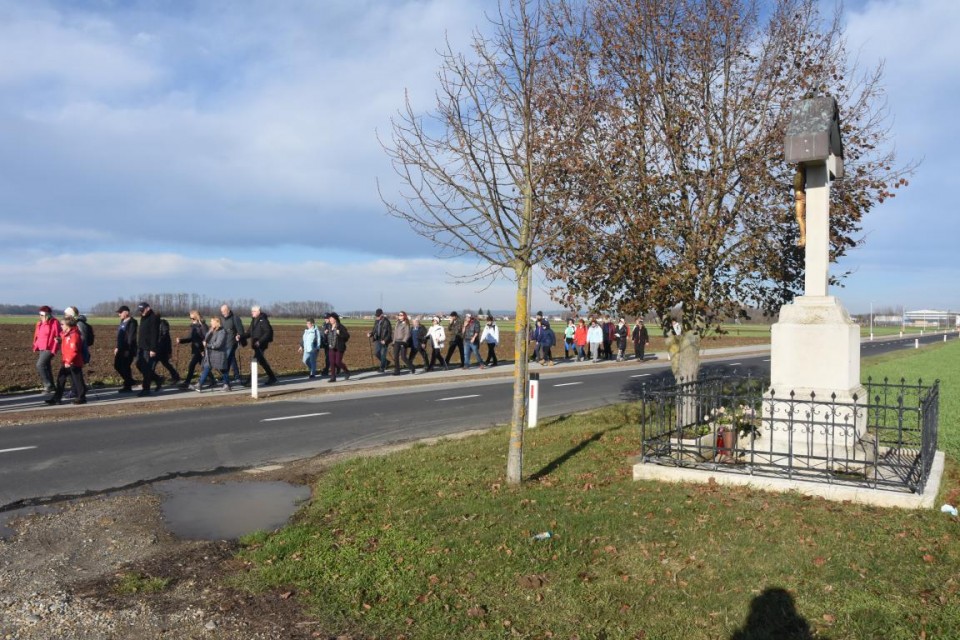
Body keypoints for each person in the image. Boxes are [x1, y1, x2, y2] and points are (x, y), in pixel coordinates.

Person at [44, 314, 87, 405]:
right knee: (61, 379)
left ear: (68, 325)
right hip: (67, 361)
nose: (61, 326)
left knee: (77, 380)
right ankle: (57, 398)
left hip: (73, 362)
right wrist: (60, 340)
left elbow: (74, 350)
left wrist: (68, 361)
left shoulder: (74, 335)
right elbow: (65, 340)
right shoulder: (67, 334)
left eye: (62, 324)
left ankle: (81, 397)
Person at [240, 306, 278, 386]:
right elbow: (249, 332)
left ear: (258, 311)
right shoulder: (254, 320)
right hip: (256, 345)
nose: (252, 312)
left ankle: (249, 381)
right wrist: (241, 336)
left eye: (253, 311)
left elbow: (267, 332)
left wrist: (259, 341)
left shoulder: (263, 320)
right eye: (252, 311)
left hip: (261, 345)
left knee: (254, 361)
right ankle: (272, 378)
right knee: (262, 362)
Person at [192, 316, 230, 392]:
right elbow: (206, 338)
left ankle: (227, 385)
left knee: (223, 369)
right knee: (207, 367)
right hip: (210, 354)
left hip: (219, 354)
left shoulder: (222, 332)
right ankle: (200, 384)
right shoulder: (212, 330)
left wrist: (207, 345)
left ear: (217, 322)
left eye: (212, 321)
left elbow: (218, 344)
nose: (211, 323)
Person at [32, 305, 62, 393]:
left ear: (47, 315)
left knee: (40, 365)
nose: (40, 317)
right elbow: (38, 335)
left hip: (50, 347)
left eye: (42, 315)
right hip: (41, 347)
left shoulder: (54, 322)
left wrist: (56, 345)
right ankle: (52, 386)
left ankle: (48, 385)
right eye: (39, 315)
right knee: (46, 366)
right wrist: (35, 344)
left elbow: (58, 335)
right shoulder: (40, 323)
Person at [177, 310, 208, 389]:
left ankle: (187, 382)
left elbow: (206, 338)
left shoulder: (202, 326)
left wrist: (203, 350)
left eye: (193, 319)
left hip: (201, 349)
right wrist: (181, 340)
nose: (191, 320)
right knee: (204, 366)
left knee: (192, 365)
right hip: (195, 348)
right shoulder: (193, 327)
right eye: (190, 319)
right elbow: (190, 338)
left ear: (197, 317)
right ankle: (213, 380)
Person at [136, 301, 161, 397]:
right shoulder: (143, 317)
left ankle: (146, 389)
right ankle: (157, 379)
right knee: (138, 364)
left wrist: (153, 349)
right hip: (141, 347)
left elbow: (155, 334)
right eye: (140, 311)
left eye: (142, 310)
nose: (141, 312)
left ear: (148, 308)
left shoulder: (153, 318)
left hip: (149, 348)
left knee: (146, 369)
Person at [114, 305, 138, 392]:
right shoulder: (122, 321)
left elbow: (131, 337)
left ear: (126, 312)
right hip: (120, 348)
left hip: (128, 349)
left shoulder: (132, 322)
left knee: (125, 367)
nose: (119, 314)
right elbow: (120, 336)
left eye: (120, 312)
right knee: (117, 365)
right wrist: (117, 347)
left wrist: (127, 350)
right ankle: (130, 381)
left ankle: (128, 386)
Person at [219, 304, 245, 386]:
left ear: (228, 310)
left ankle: (226, 381)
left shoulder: (235, 318)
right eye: (221, 311)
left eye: (224, 311)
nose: (223, 313)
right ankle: (237, 376)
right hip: (224, 343)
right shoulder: (222, 319)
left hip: (232, 343)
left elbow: (241, 331)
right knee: (232, 360)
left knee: (226, 361)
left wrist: (239, 335)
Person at [153, 314, 181, 387]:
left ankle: (155, 379)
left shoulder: (163, 324)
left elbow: (166, 339)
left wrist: (169, 351)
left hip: (162, 349)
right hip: (159, 349)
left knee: (153, 365)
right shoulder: (156, 325)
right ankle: (176, 377)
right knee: (165, 364)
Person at [324, 312, 351, 382]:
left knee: (338, 362)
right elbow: (326, 338)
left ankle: (347, 371)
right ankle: (333, 377)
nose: (330, 319)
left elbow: (347, 336)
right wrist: (325, 334)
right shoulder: (328, 326)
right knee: (332, 362)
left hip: (339, 347)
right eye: (329, 318)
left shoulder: (341, 327)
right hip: (331, 346)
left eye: (331, 318)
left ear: (335, 319)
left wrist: (340, 334)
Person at [367, 308, 393, 373]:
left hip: (384, 340)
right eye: (376, 315)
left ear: (382, 315)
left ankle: (382, 368)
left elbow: (389, 333)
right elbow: (374, 330)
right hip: (377, 339)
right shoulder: (376, 321)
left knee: (383, 354)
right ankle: (386, 362)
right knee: (376, 353)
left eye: (378, 316)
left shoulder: (387, 322)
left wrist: (385, 340)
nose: (377, 317)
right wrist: (370, 334)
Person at [392, 311, 416, 375]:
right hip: (397, 342)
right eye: (399, 315)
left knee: (403, 357)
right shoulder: (397, 323)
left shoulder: (406, 323)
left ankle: (412, 367)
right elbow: (395, 333)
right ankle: (397, 371)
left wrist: (404, 341)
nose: (400, 316)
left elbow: (407, 334)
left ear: (404, 316)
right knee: (395, 356)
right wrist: (393, 342)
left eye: (401, 315)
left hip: (403, 342)